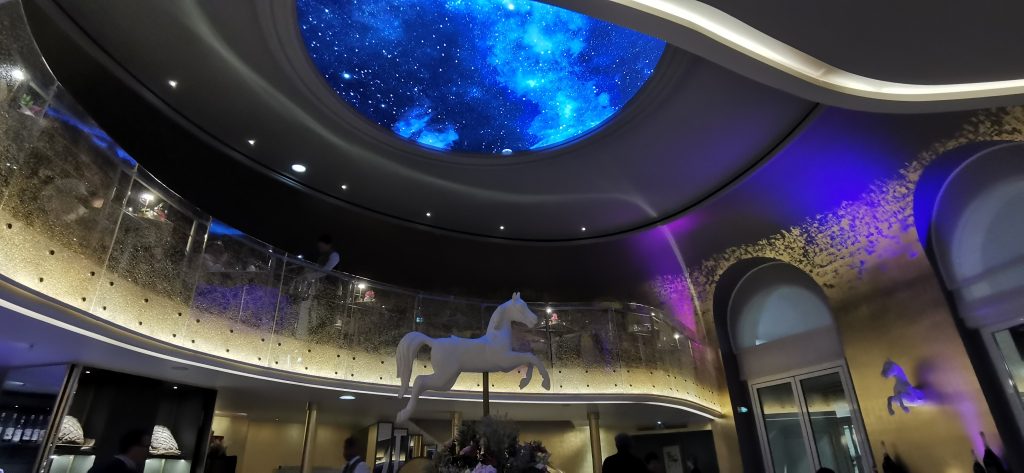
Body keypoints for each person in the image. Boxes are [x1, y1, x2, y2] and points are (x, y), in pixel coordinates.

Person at [296, 234, 341, 339]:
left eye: (321, 246)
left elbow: (325, 271)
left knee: (326, 315)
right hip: (322, 289)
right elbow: (318, 271)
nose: (320, 248)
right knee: (317, 313)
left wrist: (308, 276)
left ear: (328, 245)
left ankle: (321, 338)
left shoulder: (334, 255)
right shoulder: (322, 257)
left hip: (332, 290)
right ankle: (314, 337)